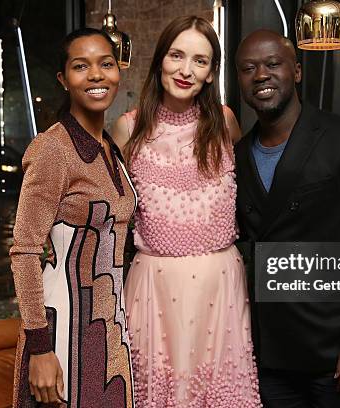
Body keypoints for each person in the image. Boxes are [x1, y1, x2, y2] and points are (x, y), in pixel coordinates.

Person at [234, 29, 340, 407]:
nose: (261, 75)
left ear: (296, 71)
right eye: (248, 68)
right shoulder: (238, 156)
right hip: (269, 358)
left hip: (336, 356)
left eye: (273, 64)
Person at [112, 15, 261, 408]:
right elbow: (107, 216)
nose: (185, 70)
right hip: (153, 287)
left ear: (212, 73)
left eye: (199, 60)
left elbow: (252, 201)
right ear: (160, 59)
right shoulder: (127, 129)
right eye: (177, 55)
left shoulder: (225, 123)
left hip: (220, 285)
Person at [10, 28, 136, 407]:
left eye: (106, 64)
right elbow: (25, 252)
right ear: (64, 79)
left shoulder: (110, 147)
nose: (96, 75)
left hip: (109, 324)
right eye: (82, 66)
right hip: (61, 325)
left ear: (118, 72)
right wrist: (40, 348)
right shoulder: (53, 148)